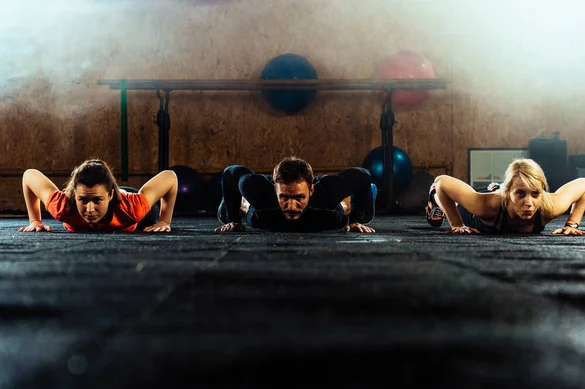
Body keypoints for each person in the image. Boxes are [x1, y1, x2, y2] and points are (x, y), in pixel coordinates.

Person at [425, 158, 585, 235]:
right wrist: (457, 224)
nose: (529, 203)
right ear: (508, 193)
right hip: (478, 216)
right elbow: (442, 182)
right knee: (452, 202)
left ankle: (501, 187)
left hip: (503, 191)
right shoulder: (486, 206)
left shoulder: (550, 205)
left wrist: (572, 224)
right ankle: (434, 199)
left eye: (535, 194)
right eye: (520, 194)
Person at [215, 156, 377, 233]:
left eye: (299, 197)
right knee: (234, 209)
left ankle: (365, 195)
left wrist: (357, 220)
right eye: (284, 197)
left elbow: (362, 175)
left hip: (328, 209)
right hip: (261, 211)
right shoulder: (258, 190)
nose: (291, 206)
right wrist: (232, 220)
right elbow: (229, 173)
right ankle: (243, 204)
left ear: (311, 190)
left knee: (348, 206)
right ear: (275, 190)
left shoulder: (327, 192)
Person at [18, 159, 178, 233]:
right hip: (110, 196)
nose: (89, 209)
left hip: (125, 200)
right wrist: (35, 221)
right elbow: (29, 175)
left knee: (151, 215)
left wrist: (164, 221)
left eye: (96, 201)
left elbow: (170, 177)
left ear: (109, 196)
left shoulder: (132, 207)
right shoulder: (63, 206)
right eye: (82, 200)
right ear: (75, 196)